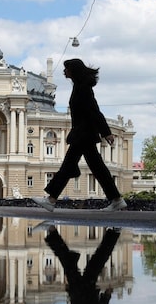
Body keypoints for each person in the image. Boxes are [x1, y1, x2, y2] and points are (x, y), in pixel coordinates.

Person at [32, 58, 127, 212]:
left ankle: (51, 199)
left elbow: (95, 111)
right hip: (83, 134)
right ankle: (116, 199)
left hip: (84, 134)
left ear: (73, 71)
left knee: (74, 166)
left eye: (66, 68)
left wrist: (107, 132)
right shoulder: (79, 86)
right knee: (94, 168)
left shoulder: (83, 88)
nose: (64, 71)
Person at [44, 225, 120, 304]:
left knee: (98, 259)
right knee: (77, 263)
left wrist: (106, 296)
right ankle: (53, 233)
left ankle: (114, 233)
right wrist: (106, 297)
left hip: (85, 293)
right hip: (81, 293)